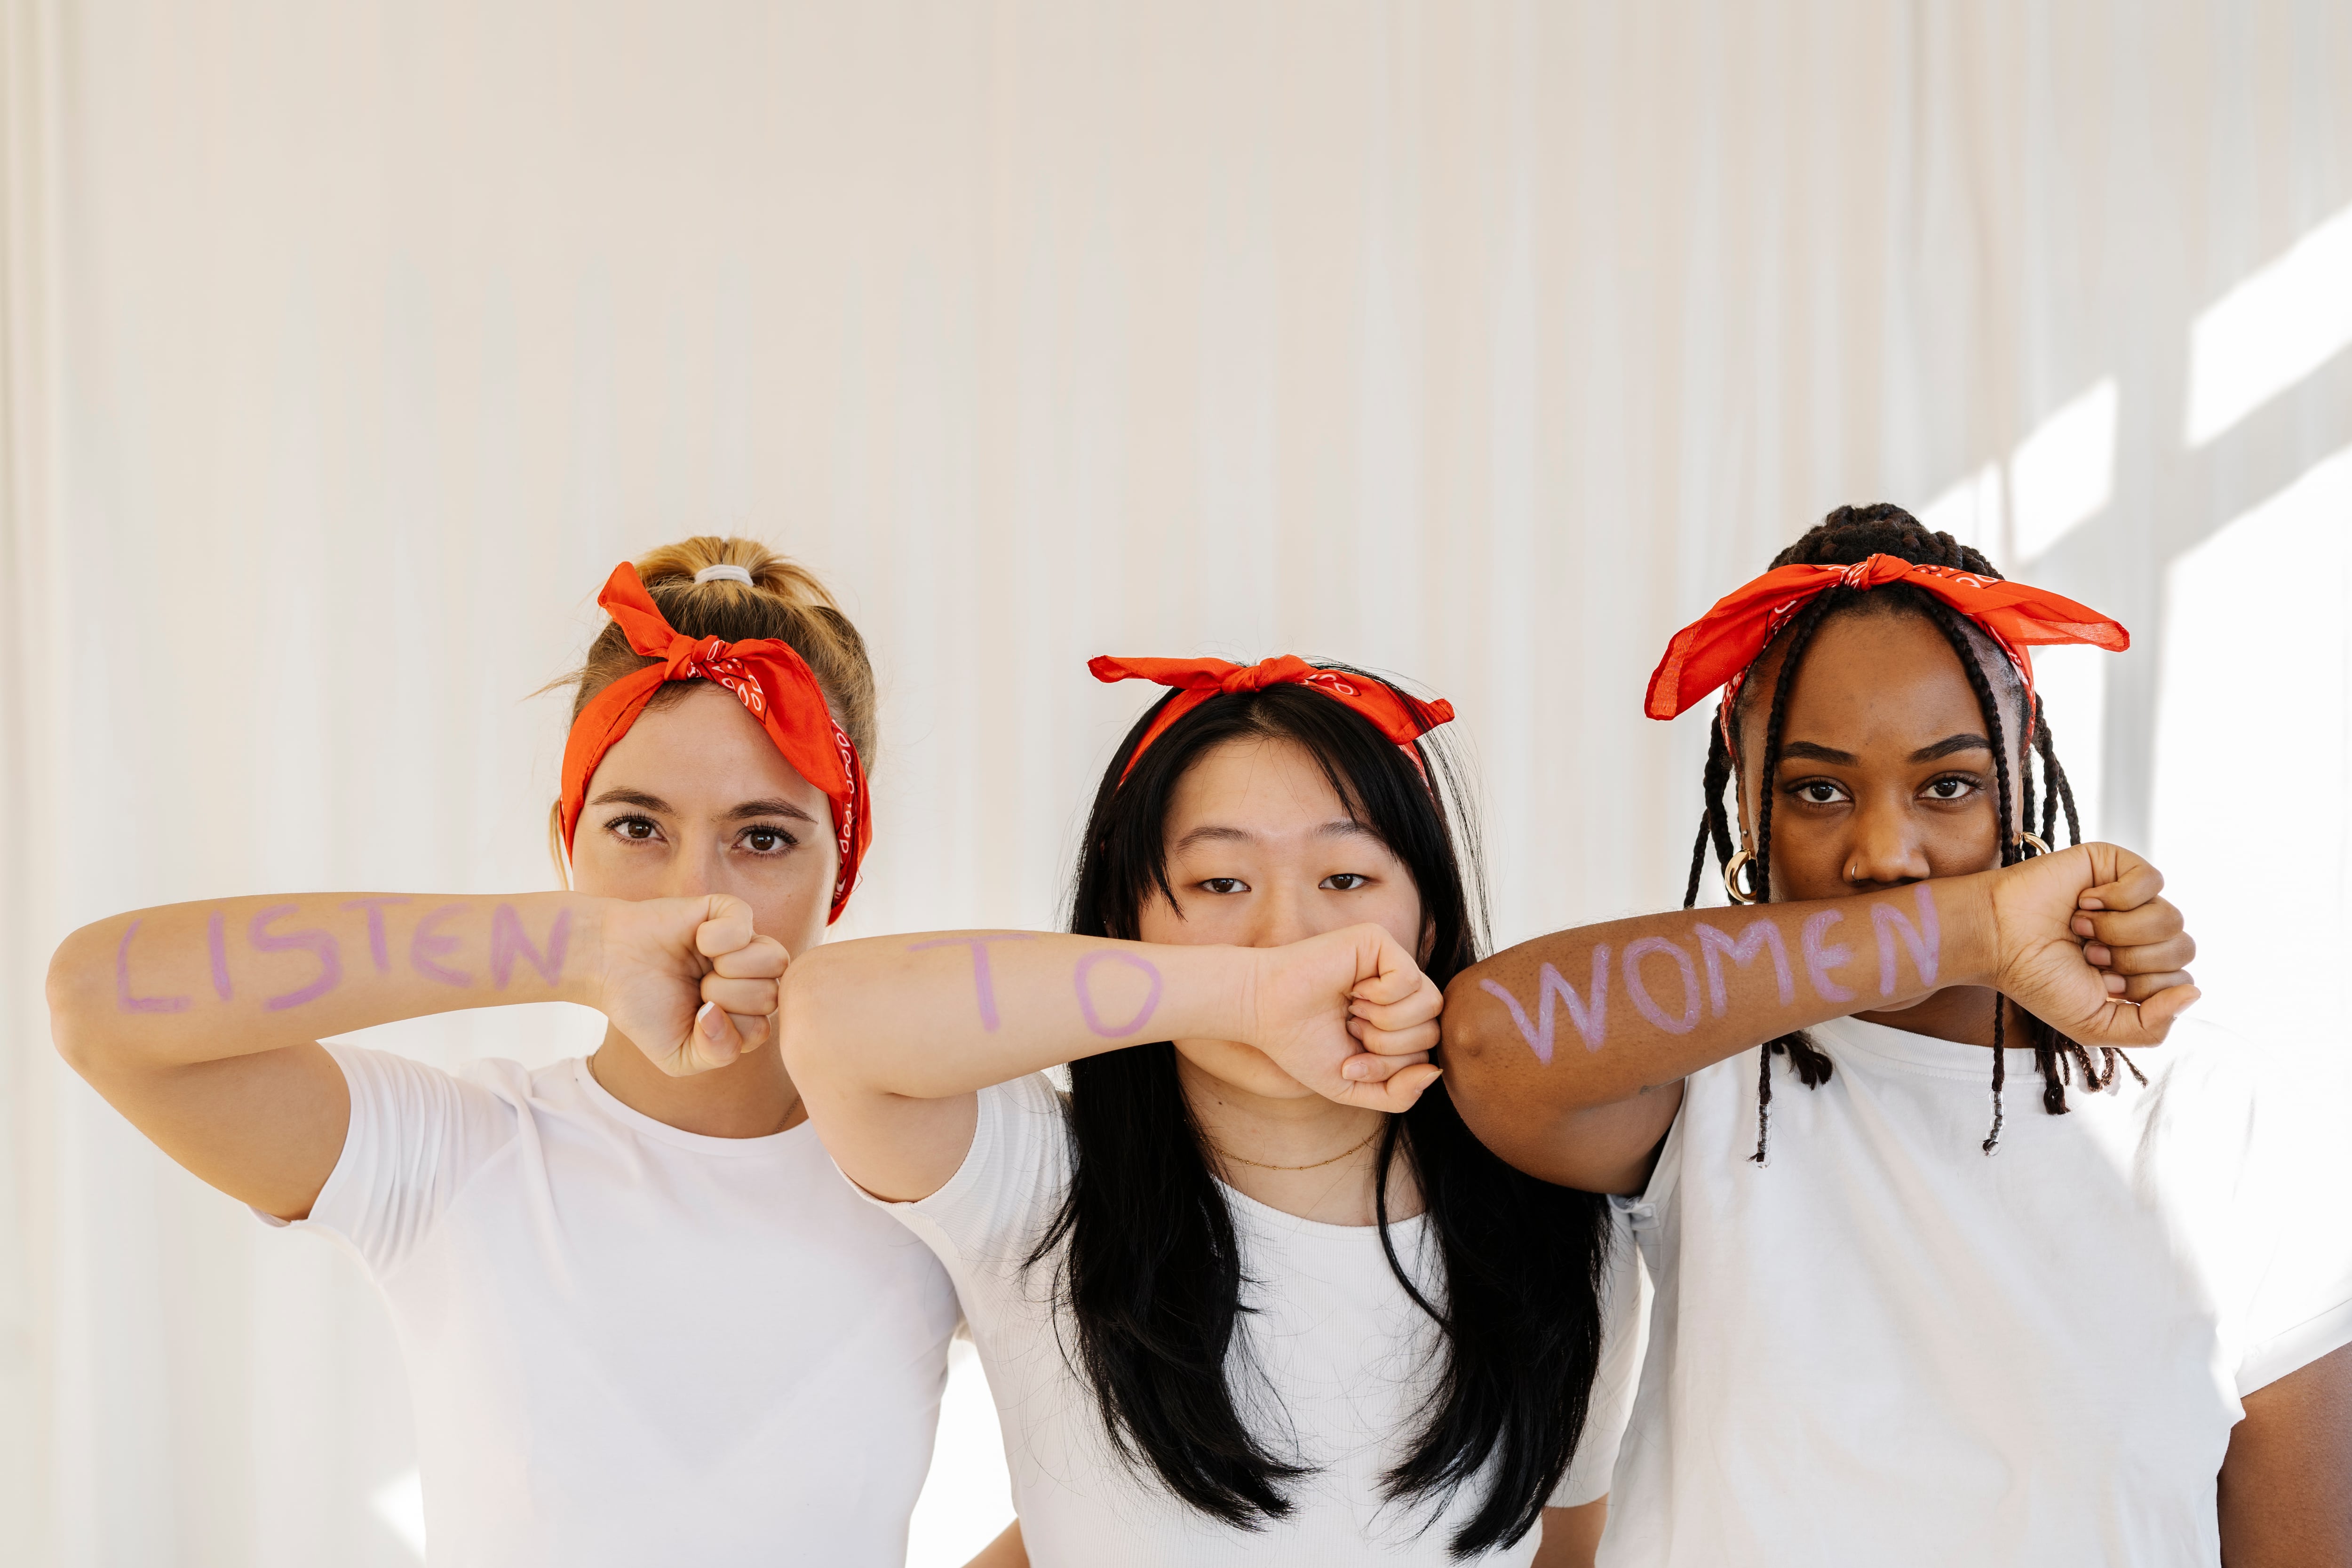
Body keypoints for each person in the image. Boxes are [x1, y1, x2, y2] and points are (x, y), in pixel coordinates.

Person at [1439, 505, 2352, 1565]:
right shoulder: (1705, 1072)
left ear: (2021, 780)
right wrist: (1980, 924)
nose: (1885, 853)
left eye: (1948, 785)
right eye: (1817, 789)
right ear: (1743, 807)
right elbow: (1490, 1040)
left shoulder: (2206, 1107)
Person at [46, 538, 973, 1568]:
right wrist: (583, 945)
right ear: (564, 841)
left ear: (842, 865)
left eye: (763, 837)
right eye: (635, 826)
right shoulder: (452, 1153)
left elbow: (1147, 1461)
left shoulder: (941, 1174)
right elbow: (99, 998)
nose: (693, 898)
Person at [781, 656, 1640, 1566]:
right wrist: (1249, 995)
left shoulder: (1558, 1226)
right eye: (1220, 884)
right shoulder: (1039, 1178)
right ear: (1130, 918)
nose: (1288, 937)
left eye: (1346, 880)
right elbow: (831, 1017)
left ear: (1427, 923)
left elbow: (1571, 1548)